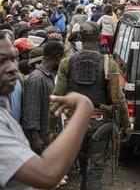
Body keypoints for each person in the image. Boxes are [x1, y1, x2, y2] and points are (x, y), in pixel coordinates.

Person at [0, 30, 93, 189]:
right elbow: (47, 173)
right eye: (2, 61)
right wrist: (84, 107)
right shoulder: (37, 78)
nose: (13, 68)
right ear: (57, 58)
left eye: (13, 59)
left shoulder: (4, 105)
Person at [50, 21, 131, 190]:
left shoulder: (66, 62)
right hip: (99, 124)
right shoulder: (109, 64)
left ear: (80, 38)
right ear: (99, 38)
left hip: (74, 124)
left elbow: (57, 97)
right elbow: (118, 99)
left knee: (83, 167)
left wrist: (51, 129)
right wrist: (126, 125)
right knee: (96, 169)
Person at [22, 41, 65, 154]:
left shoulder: (49, 76)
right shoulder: (37, 78)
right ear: (57, 57)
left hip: (50, 137)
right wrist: (36, 138)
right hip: (42, 139)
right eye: (62, 58)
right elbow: (32, 110)